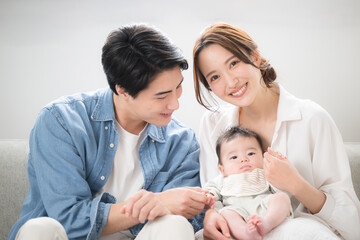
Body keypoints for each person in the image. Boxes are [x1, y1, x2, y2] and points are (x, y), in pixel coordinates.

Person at [8, 24, 208, 240]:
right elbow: (69, 220)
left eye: (178, 87)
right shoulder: (61, 121)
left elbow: (190, 215)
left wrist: (168, 206)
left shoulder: (182, 141)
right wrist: (153, 205)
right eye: (161, 96)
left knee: (174, 224)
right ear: (122, 90)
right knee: (40, 228)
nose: (175, 104)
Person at [192, 23, 360, 240]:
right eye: (214, 77)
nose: (230, 82)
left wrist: (296, 185)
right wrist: (211, 216)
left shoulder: (312, 119)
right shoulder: (212, 124)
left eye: (233, 63)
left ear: (255, 57)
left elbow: (352, 225)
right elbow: (214, 196)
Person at [204, 126, 291, 240]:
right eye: (234, 157)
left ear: (262, 156)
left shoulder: (265, 173)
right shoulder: (222, 180)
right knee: (226, 213)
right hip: (237, 212)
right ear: (222, 169)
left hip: (264, 206)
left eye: (251, 154)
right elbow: (210, 190)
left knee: (282, 197)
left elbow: (281, 189)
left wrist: (279, 176)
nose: (244, 159)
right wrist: (208, 197)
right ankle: (247, 234)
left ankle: (267, 223)